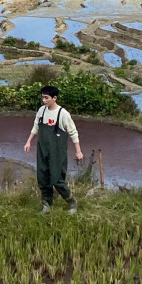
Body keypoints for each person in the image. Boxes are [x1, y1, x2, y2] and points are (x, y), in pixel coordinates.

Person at [23, 85, 84, 214]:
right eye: (43, 98)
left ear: (54, 98)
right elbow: (35, 127)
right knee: (43, 176)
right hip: (42, 149)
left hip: (57, 152)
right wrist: (28, 141)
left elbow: (73, 133)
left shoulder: (63, 114)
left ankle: (71, 201)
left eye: (46, 98)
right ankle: (46, 205)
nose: (44, 101)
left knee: (57, 178)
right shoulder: (41, 111)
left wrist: (78, 151)